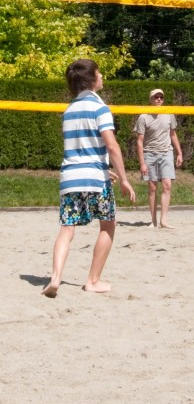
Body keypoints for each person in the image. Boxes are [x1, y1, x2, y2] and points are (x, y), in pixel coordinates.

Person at [42, 59, 136, 298]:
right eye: (99, 73)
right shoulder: (100, 108)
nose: (102, 76)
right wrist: (124, 178)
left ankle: (55, 278)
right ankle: (92, 281)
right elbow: (112, 145)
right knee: (108, 224)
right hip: (94, 178)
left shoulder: (69, 110)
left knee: (66, 228)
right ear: (92, 79)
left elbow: (82, 148)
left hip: (70, 177)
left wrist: (104, 168)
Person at [135, 88, 183, 229]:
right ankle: (153, 220)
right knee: (152, 186)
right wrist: (142, 162)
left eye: (161, 97)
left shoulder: (169, 114)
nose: (159, 100)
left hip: (166, 153)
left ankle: (163, 220)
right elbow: (139, 141)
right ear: (151, 99)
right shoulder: (144, 117)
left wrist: (179, 153)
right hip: (149, 153)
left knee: (167, 185)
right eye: (156, 97)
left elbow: (173, 135)